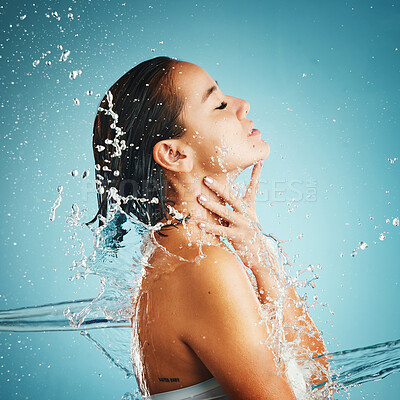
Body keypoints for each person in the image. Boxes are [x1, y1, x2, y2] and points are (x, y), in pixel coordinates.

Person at [91, 56, 331, 399]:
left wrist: (261, 261)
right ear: (174, 154)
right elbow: (321, 387)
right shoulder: (201, 266)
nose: (242, 105)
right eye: (218, 104)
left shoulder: (179, 249)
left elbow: (317, 379)